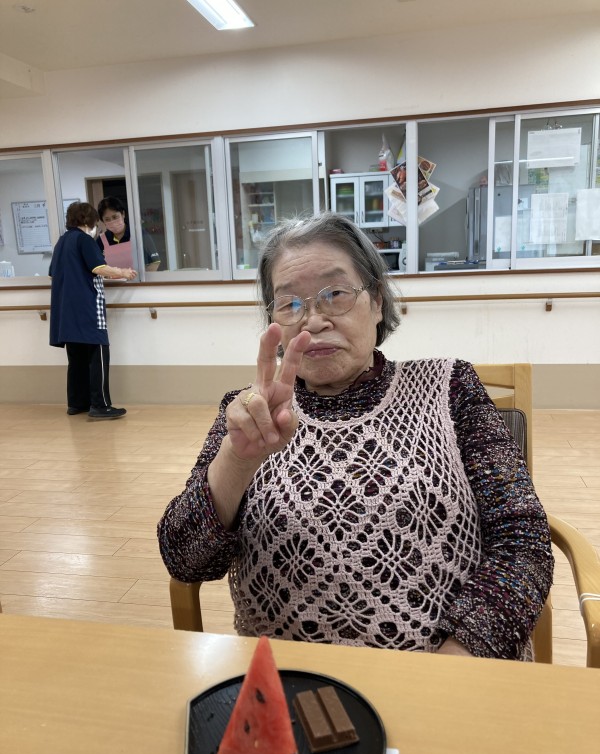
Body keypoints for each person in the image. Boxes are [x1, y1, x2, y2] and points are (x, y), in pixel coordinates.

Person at [158, 212, 553, 660]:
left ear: (377, 301)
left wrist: (454, 665)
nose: (313, 321)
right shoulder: (251, 412)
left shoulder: (450, 387)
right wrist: (238, 459)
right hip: (288, 678)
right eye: (290, 303)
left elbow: (523, 543)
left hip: (447, 676)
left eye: (336, 294)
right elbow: (184, 559)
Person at [49, 201, 136, 419]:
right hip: (87, 307)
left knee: (76, 358)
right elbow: (98, 267)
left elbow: (53, 274)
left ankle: (77, 403)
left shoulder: (61, 242)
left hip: (66, 310)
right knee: (98, 353)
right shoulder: (84, 240)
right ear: (89, 221)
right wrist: (123, 272)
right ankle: (100, 405)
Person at [97, 196, 162, 272]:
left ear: (123, 214)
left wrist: (140, 279)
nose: (112, 222)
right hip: (112, 280)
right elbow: (97, 267)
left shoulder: (138, 234)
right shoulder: (101, 240)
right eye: (107, 219)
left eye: (115, 217)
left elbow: (155, 262)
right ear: (103, 221)